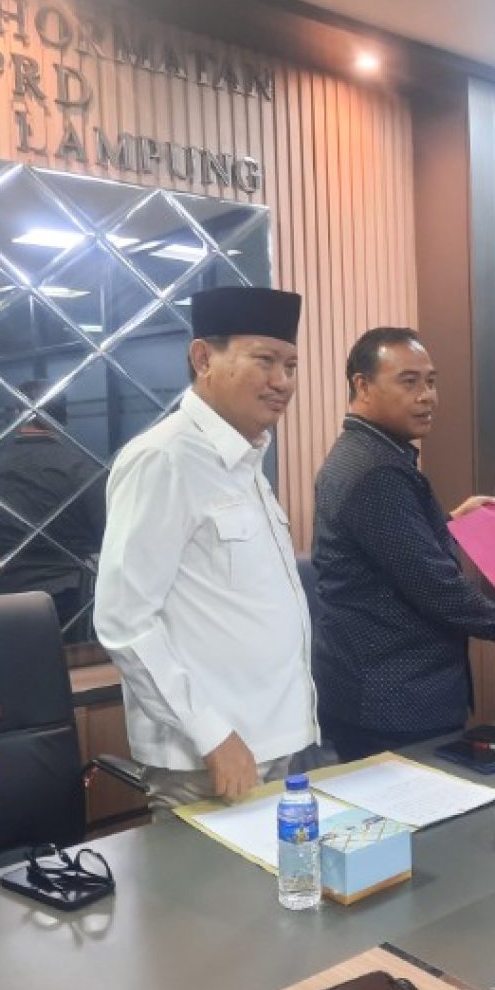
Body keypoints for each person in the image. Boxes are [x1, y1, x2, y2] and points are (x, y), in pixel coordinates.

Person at [94, 286, 318, 810]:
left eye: (291, 365)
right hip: (209, 758)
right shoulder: (165, 457)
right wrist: (211, 733)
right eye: (265, 361)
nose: (282, 381)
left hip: (271, 740)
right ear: (203, 358)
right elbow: (125, 621)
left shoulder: (247, 463)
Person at [312, 326, 495, 762]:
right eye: (409, 382)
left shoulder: (372, 453)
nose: (427, 396)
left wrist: (449, 522)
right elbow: (430, 581)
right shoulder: (376, 470)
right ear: (363, 386)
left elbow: (392, 548)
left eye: (431, 381)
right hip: (392, 699)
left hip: (386, 689)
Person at [0, 382, 106, 641]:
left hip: (7, 592)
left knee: (16, 661)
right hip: (72, 595)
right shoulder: (84, 469)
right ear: (64, 416)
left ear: (17, 415)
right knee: (72, 663)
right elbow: (107, 532)